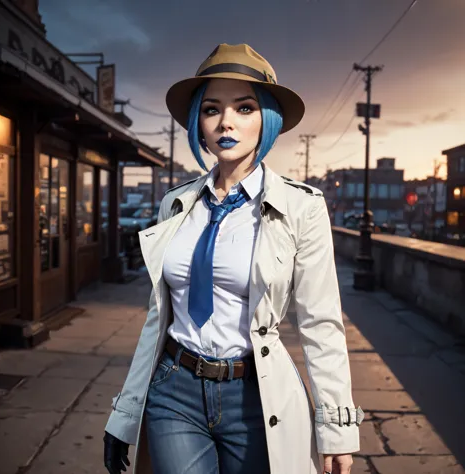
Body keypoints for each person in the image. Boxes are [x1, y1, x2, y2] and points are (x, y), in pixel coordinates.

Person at [103, 43, 363, 474]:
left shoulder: (302, 207)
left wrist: (335, 427)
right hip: (174, 387)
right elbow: (157, 319)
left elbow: (320, 322)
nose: (226, 122)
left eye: (244, 108)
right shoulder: (176, 203)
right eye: (211, 109)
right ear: (198, 123)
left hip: (256, 396)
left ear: (267, 118)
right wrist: (125, 414)